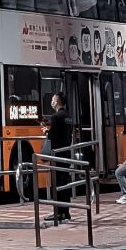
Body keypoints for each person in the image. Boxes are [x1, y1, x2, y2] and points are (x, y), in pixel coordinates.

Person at [45, 94, 74, 223]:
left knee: (57, 183)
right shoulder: (68, 116)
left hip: (58, 154)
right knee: (65, 183)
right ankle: (65, 212)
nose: (51, 101)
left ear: (57, 101)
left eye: (53, 99)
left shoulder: (56, 117)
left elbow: (53, 135)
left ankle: (58, 213)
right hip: (66, 152)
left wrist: (46, 131)